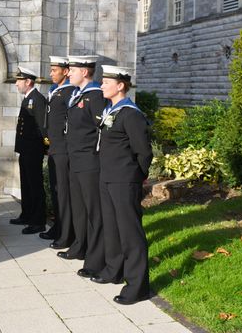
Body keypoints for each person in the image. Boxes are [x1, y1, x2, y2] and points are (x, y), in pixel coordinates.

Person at [93, 65, 153, 305]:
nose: (102, 86)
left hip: (125, 179)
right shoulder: (112, 110)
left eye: (106, 82)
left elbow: (144, 152)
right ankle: (114, 270)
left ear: (120, 86)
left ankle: (138, 286)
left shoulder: (130, 113)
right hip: (107, 177)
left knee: (130, 233)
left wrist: (138, 176)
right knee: (112, 228)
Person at [59, 55, 106, 280]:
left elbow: (102, 129)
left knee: (93, 211)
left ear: (85, 72)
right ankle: (80, 246)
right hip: (75, 159)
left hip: (89, 160)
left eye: (73, 69)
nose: (68, 73)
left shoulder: (95, 95)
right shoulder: (77, 94)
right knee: (78, 207)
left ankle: (96, 259)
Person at [42, 56, 76, 249]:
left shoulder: (70, 92)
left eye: (54, 70)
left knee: (63, 192)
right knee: (56, 191)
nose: (51, 73)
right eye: (51, 70)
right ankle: (58, 227)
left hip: (63, 148)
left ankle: (66, 233)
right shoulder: (56, 91)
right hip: (55, 147)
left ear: (65, 71)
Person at [10, 67, 47, 235]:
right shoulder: (27, 98)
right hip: (25, 149)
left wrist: (43, 148)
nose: (16, 84)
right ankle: (26, 215)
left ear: (28, 82)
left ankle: (38, 221)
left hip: (34, 149)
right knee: (26, 184)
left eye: (19, 80)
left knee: (35, 185)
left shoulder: (37, 99)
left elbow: (42, 127)